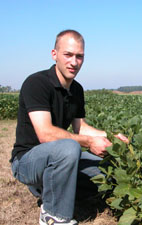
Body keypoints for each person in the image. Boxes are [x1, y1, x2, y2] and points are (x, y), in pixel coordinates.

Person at [10, 29, 129, 225]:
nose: (74, 62)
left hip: (60, 156)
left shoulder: (76, 89)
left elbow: (80, 127)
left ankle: (48, 189)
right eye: (68, 55)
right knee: (69, 147)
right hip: (27, 161)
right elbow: (45, 134)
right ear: (54, 54)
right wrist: (89, 142)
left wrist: (111, 138)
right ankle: (54, 215)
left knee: (108, 170)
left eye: (79, 56)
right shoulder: (36, 83)